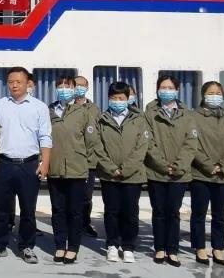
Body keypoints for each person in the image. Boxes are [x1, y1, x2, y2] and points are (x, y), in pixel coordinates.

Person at [0, 66, 51, 264]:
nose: (14, 85)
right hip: (3, 163)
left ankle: (26, 246)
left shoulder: (39, 107)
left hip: (29, 164)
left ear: (27, 83)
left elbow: (45, 136)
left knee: (28, 210)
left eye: (18, 82)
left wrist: (45, 163)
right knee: (1, 209)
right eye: (11, 82)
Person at [144, 75, 198, 267]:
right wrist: (162, 165)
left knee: (173, 212)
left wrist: (178, 166)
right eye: (163, 87)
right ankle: (160, 248)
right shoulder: (150, 112)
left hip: (179, 173)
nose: (166, 91)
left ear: (177, 90)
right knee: (159, 211)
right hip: (156, 171)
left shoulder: (187, 114)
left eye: (170, 88)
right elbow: (148, 141)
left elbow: (191, 142)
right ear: (158, 90)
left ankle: (173, 250)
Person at [92, 82, 148, 263]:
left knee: (130, 212)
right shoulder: (101, 119)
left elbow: (141, 147)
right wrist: (111, 169)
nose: (117, 101)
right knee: (112, 211)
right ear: (108, 98)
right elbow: (97, 146)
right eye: (114, 97)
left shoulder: (139, 119)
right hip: (109, 176)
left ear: (127, 99)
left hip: (133, 176)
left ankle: (128, 245)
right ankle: (112, 244)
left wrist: (125, 170)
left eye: (121, 98)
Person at [46, 76, 98, 264]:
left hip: (76, 170)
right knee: (58, 210)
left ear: (74, 89)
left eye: (67, 86)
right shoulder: (49, 111)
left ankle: (73, 247)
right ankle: (60, 245)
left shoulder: (82, 112)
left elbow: (91, 142)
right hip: (54, 168)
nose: (63, 89)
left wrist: (84, 163)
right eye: (60, 86)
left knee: (75, 211)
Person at [190, 81, 224, 266]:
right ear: (203, 95)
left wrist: (223, 165)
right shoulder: (193, 117)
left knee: (220, 214)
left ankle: (218, 247)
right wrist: (207, 165)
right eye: (210, 93)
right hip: (200, 174)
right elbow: (191, 143)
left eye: (218, 93)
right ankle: (199, 247)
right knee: (199, 213)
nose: (214, 96)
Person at [72, 75, 100, 239]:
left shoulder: (95, 109)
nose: (79, 88)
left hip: (89, 161)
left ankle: (85, 223)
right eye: (76, 85)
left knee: (86, 196)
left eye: (82, 85)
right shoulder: (66, 107)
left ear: (87, 87)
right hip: (71, 159)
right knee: (70, 195)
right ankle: (70, 224)